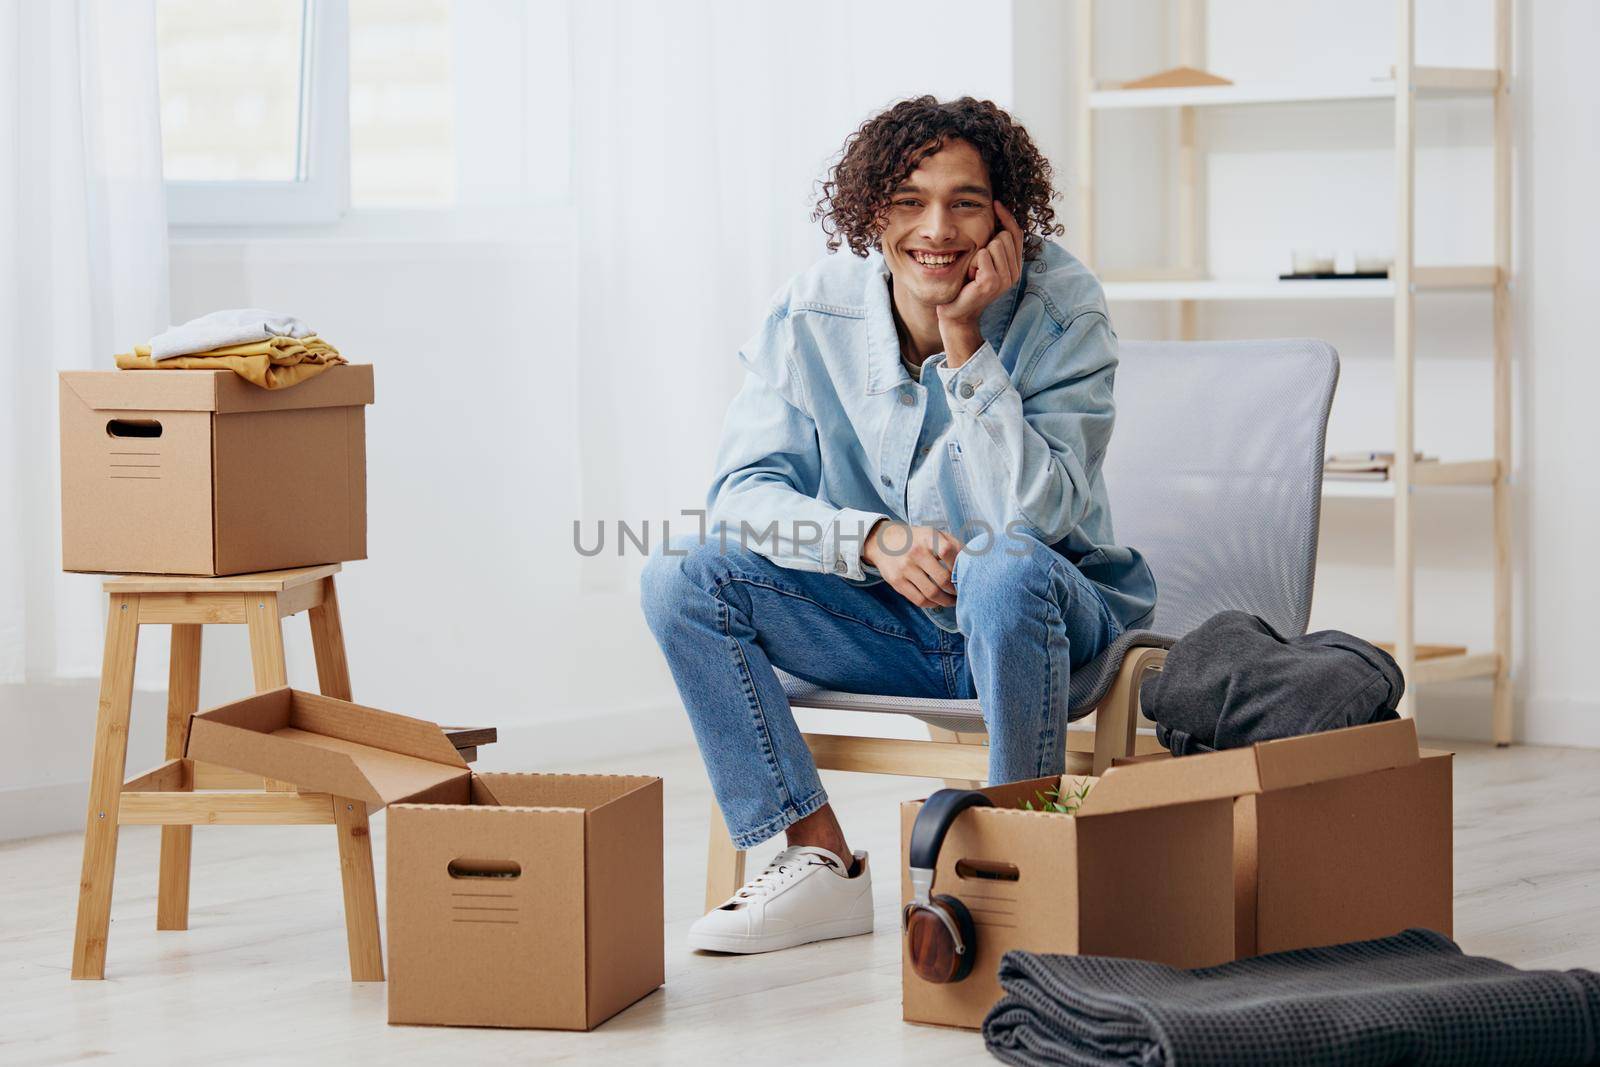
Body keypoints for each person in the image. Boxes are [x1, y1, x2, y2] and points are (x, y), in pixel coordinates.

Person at [640, 95, 1156, 955]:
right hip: (891, 627)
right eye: (909, 200)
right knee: (680, 575)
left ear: (1004, 214)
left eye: (964, 201)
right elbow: (740, 493)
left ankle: (1013, 862)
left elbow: (1037, 515)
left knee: (1002, 564)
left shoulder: (1066, 311)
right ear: (872, 211)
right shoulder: (812, 314)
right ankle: (818, 861)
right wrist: (871, 541)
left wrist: (965, 341)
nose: (936, 228)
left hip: (1049, 629)